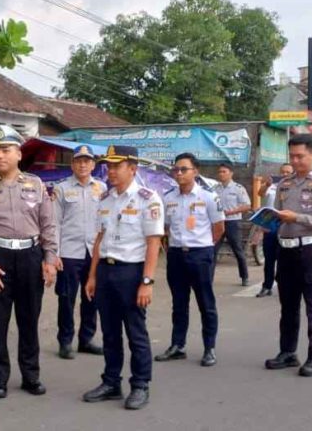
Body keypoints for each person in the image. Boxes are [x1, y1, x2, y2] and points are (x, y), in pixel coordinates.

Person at [0, 125, 58, 399]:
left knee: (29, 321)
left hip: (31, 257)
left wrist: (50, 259)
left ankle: (31, 376)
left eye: (5, 150)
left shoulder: (36, 185)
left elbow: (49, 225)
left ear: (18, 154)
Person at [82, 145, 164, 411]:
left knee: (135, 332)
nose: (111, 171)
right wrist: (92, 276)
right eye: (109, 166)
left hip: (132, 273)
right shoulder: (105, 199)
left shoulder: (147, 198)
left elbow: (154, 243)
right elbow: (99, 239)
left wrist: (147, 282)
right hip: (105, 272)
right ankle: (111, 383)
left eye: (117, 166)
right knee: (109, 332)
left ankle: (140, 385)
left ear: (133, 168)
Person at [264, 134, 312, 378]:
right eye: (291, 156)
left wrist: (297, 218)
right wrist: (267, 218)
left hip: (311, 250)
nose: (295, 161)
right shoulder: (284, 184)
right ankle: (288, 352)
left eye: (300, 156)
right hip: (286, 249)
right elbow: (277, 214)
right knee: (288, 305)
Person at [155, 153, 225, 367]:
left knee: (206, 303)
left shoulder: (208, 197)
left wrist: (204, 246)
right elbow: (165, 227)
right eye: (176, 169)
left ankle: (209, 348)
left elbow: (219, 228)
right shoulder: (168, 198)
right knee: (179, 303)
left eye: (184, 169)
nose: (179, 173)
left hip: (200, 254)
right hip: (176, 255)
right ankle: (178, 346)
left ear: (195, 171)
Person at [53, 144, 104, 360]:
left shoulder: (102, 188)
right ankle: (65, 341)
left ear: (93, 164)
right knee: (66, 298)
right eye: (78, 160)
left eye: (87, 161)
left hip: (94, 252)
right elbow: (54, 222)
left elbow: (105, 222)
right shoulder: (61, 189)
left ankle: (86, 339)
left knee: (91, 298)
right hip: (69, 252)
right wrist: (54, 253)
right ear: (72, 164)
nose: (83, 164)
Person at [256, 163, 294, 298]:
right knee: (269, 258)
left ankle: (284, 284)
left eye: (288, 172)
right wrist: (266, 184)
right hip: (271, 224)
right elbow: (260, 194)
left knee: (285, 258)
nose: (285, 174)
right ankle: (267, 286)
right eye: (283, 172)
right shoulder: (271, 185)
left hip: (287, 224)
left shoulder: (295, 186)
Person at [214, 163, 252, 286]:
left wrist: (231, 211)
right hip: (218, 222)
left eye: (224, 171)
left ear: (231, 173)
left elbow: (247, 205)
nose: (221, 174)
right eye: (219, 172)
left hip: (232, 222)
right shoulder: (215, 188)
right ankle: (208, 277)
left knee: (238, 250)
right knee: (212, 250)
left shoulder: (238, 188)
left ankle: (244, 277)